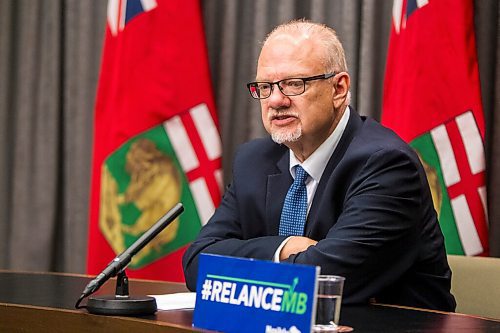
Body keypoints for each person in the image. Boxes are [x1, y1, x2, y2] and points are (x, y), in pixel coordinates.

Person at [183, 19, 456, 311]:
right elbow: (198, 264)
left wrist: (242, 265)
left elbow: (323, 280)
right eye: (265, 86)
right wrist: (284, 248)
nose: (275, 100)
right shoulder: (254, 161)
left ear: (338, 88)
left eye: (293, 84)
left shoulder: (386, 165)